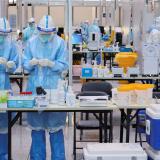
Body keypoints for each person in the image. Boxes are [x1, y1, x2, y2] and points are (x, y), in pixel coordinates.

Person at [23, 15, 68, 160]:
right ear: (37, 31)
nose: (45, 37)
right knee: (37, 131)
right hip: (35, 88)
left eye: (48, 34)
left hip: (55, 90)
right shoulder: (31, 42)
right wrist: (31, 63)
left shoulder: (60, 43)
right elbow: (25, 64)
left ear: (53, 32)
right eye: (43, 34)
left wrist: (51, 64)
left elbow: (64, 65)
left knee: (55, 130)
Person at [0, 17, 18, 160]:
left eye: (5, 34)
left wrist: (10, 65)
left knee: (3, 123)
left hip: (4, 86)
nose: (3, 37)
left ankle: (4, 154)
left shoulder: (10, 45)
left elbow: (15, 64)